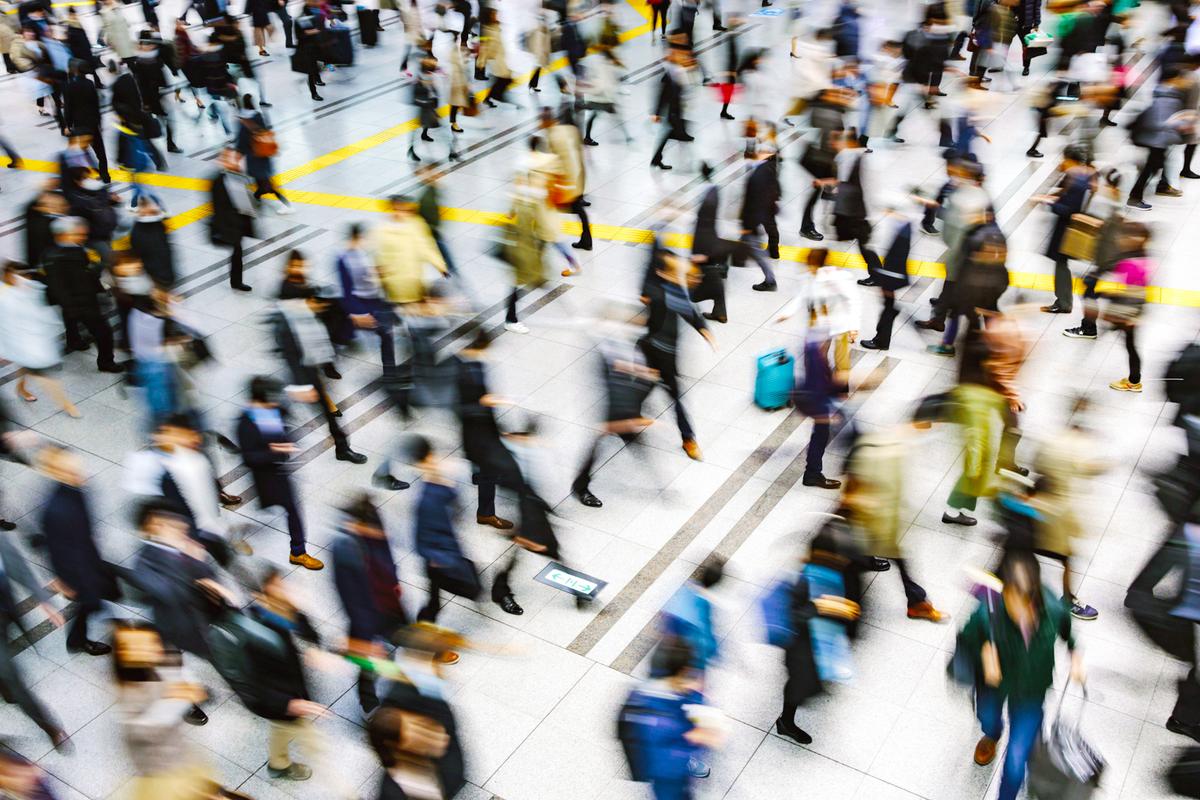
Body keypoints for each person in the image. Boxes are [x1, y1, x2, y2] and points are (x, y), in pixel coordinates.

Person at [958, 550, 1084, 800]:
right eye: (1013, 598)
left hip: (1031, 691)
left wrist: (1074, 653)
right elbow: (963, 644)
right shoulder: (987, 614)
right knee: (988, 717)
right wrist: (983, 651)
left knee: (1016, 760)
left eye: (1026, 600)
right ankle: (992, 733)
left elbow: (1068, 630)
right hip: (993, 687)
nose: (1019, 608)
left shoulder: (1052, 609)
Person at [843, 422, 947, 621]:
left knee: (893, 560)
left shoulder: (880, 446)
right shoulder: (881, 455)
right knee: (856, 564)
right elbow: (863, 497)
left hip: (878, 524)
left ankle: (917, 602)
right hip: (876, 525)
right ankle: (916, 603)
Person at [774, 528, 861, 746]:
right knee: (796, 684)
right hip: (801, 646)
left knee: (805, 680)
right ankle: (786, 722)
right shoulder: (803, 580)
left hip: (813, 643)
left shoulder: (825, 573)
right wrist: (821, 607)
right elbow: (792, 615)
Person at [619, 638, 726, 800]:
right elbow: (665, 764)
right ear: (680, 673)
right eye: (689, 673)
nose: (694, 678)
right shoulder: (655, 720)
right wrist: (695, 741)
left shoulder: (666, 686)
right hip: (669, 780)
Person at [38, 445, 119, 656]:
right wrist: (66, 581)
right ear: (56, 472)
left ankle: (102, 609)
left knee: (96, 596)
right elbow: (57, 551)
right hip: (78, 571)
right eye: (71, 470)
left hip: (89, 557)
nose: (79, 472)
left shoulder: (76, 488)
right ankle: (77, 640)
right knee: (88, 603)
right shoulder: (55, 510)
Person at [235, 376, 324, 570]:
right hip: (264, 477)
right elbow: (249, 457)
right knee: (264, 514)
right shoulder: (245, 423)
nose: (277, 401)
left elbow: (285, 411)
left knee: (292, 509)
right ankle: (236, 533)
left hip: (280, 473)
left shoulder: (274, 410)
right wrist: (274, 450)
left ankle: (298, 552)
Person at [331, 494, 409, 711]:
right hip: (368, 614)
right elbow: (351, 598)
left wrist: (394, 582)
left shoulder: (375, 531)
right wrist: (367, 636)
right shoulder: (345, 549)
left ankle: (393, 680)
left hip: (389, 604)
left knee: (392, 647)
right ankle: (367, 696)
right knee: (369, 659)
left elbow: (387, 559)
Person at [641, 251, 717, 460]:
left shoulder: (673, 291)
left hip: (666, 356)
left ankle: (688, 438)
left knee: (667, 392)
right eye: (674, 272)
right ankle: (688, 439)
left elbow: (689, 311)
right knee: (664, 391)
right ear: (663, 273)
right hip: (652, 352)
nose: (679, 276)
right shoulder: (658, 293)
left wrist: (704, 329)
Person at [0, 519, 68, 750]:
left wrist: (44, 602)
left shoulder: (1, 542)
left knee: (9, 675)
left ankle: (9, 691)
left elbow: (21, 570)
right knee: (12, 677)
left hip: (4, 614)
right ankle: (49, 726)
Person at [411, 435, 479, 632]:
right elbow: (419, 534)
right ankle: (425, 632)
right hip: (439, 554)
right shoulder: (425, 498)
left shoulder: (435, 482)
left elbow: (454, 506)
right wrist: (436, 557)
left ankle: (426, 624)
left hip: (443, 549)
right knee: (456, 588)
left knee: (434, 596)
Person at [40, 216, 121, 374]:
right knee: (103, 333)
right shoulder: (61, 257)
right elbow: (59, 286)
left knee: (70, 319)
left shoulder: (60, 250)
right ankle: (106, 362)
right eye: (78, 234)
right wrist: (73, 306)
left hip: (77, 299)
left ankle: (74, 340)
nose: (83, 237)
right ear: (62, 235)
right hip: (81, 302)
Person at [0, 261, 77, 417]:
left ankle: (21, 388)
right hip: (22, 342)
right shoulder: (4, 296)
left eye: (25, 275)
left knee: (28, 365)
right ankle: (67, 405)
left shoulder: (26, 288)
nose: (24, 279)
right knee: (43, 374)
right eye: (19, 276)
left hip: (32, 340)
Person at [1036, 145, 1096, 315]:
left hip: (1066, 231)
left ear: (1070, 160)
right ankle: (1062, 300)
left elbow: (1068, 209)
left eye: (1064, 159)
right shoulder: (1081, 176)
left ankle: (1064, 302)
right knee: (1061, 265)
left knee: (1061, 265)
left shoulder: (1076, 181)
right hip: (1067, 229)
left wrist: (1050, 203)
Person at [371, 194, 448, 307]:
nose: (399, 212)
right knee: (399, 307)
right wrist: (379, 279)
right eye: (396, 208)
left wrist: (440, 266)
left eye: (402, 208)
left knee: (415, 305)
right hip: (394, 279)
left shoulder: (416, 224)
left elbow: (426, 247)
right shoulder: (382, 229)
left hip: (413, 277)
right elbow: (379, 257)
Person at [208, 148, 257, 292]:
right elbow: (218, 208)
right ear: (222, 162)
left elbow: (247, 199)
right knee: (237, 252)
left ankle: (236, 281)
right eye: (229, 159)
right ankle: (236, 282)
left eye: (234, 158)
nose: (234, 161)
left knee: (238, 252)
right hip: (229, 225)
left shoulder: (238, 175)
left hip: (239, 223)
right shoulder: (217, 181)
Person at [236, 95, 292, 214]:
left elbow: (241, 142)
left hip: (253, 158)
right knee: (261, 182)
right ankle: (256, 199)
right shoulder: (258, 115)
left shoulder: (243, 121)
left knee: (267, 184)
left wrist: (237, 156)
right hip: (263, 155)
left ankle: (287, 204)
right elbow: (266, 130)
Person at [738, 144, 780, 292]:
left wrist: (747, 225)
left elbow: (754, 200)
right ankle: (730, 264)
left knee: (757, 252)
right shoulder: (767, 168)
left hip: (753, 219)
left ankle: (770, 280)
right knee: (741, 246)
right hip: (758, 216)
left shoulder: (760, 173)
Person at [61, 60, 109, 183]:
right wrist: (99, 122)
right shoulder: (89, 83)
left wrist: (67, 125)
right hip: (92, 123)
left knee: (83, 151)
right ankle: (105, 175)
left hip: (79, 123)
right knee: (100, 152)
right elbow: (96, 104)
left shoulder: (69, 86)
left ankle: (92, 172)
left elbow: (68, 108)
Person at [651, 41, 694, 171]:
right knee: (667, 133)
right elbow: (662, 94)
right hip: (671, 110)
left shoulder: (676, 69)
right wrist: (657, 112)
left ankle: (657, 159)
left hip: (676, 108)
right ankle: (657, 159)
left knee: (669, 132)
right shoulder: (669, 72)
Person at [292, 9, 326, 101]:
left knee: (317, 66)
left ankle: (317, 79)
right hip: (306, 49)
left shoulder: (314, 14)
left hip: (314, 46)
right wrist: (310, 32)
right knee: (311, 70)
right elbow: (300, 35)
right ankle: (313, 93)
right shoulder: (301, 18)